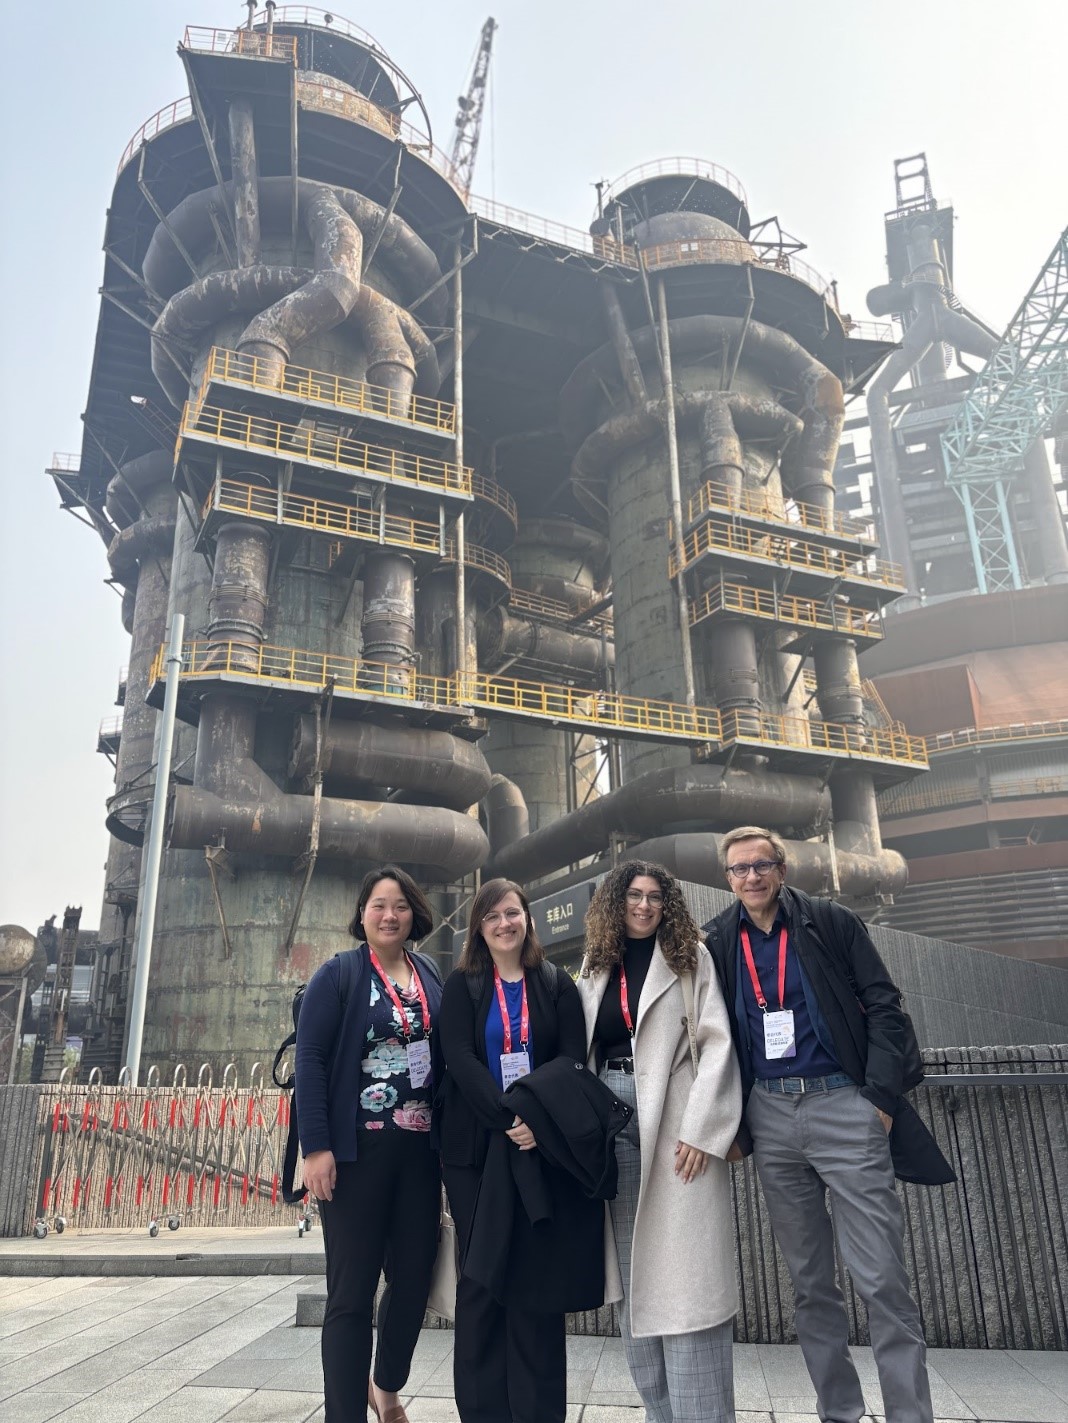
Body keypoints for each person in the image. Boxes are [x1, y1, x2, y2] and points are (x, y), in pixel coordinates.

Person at [704, 825, 953, 1423]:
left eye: (762, 865)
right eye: (739, 869)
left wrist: (878, 1101)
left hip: (844, 1106)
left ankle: (908, 1414)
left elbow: (887, 1007)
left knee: (881, 1279)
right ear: (728, 879)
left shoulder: (829, 922)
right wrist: (736, 1127)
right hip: (770, 1114)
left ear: (782, 870)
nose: (752, 877)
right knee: (811, 1284)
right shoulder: (717, 939)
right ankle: (839, 1411)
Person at [577, 860, 742, 1423]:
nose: (643, 906)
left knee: (687, 1277)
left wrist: (702, 1129)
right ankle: (659, 1411)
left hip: (675, 1120)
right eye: (633, 896)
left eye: (653, 897)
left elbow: (716, 1043)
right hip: (612, 1123)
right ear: (615, 904)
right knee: (633, 1272)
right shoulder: (596, 964)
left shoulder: (691, 957)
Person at [436, 877, 594, 1423]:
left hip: (538, 1149)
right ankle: (483, 1412)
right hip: (478, 1149)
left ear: (527, 918)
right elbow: (459, 1059)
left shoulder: (556, 985)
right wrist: (509, 1117)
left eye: (513, 913)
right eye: (492, 916)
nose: (505, 923)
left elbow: (572, 1060)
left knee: (535, 1282)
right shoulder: (463, 987)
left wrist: (538, 1120)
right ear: (479, 928)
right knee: (479, 1279)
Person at [295, 866, 444, 1423]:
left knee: (413, 1281)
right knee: (351, 1293)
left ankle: (385, 1385)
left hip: (420, 1157)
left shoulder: (428, 973)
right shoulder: (339, 974)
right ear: (362, 914)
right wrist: (316, 1148)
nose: (389, 915)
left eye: (400, 905)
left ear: (414, 914)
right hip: (355, 1155)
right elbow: (310, 1058)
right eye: (379, 905)